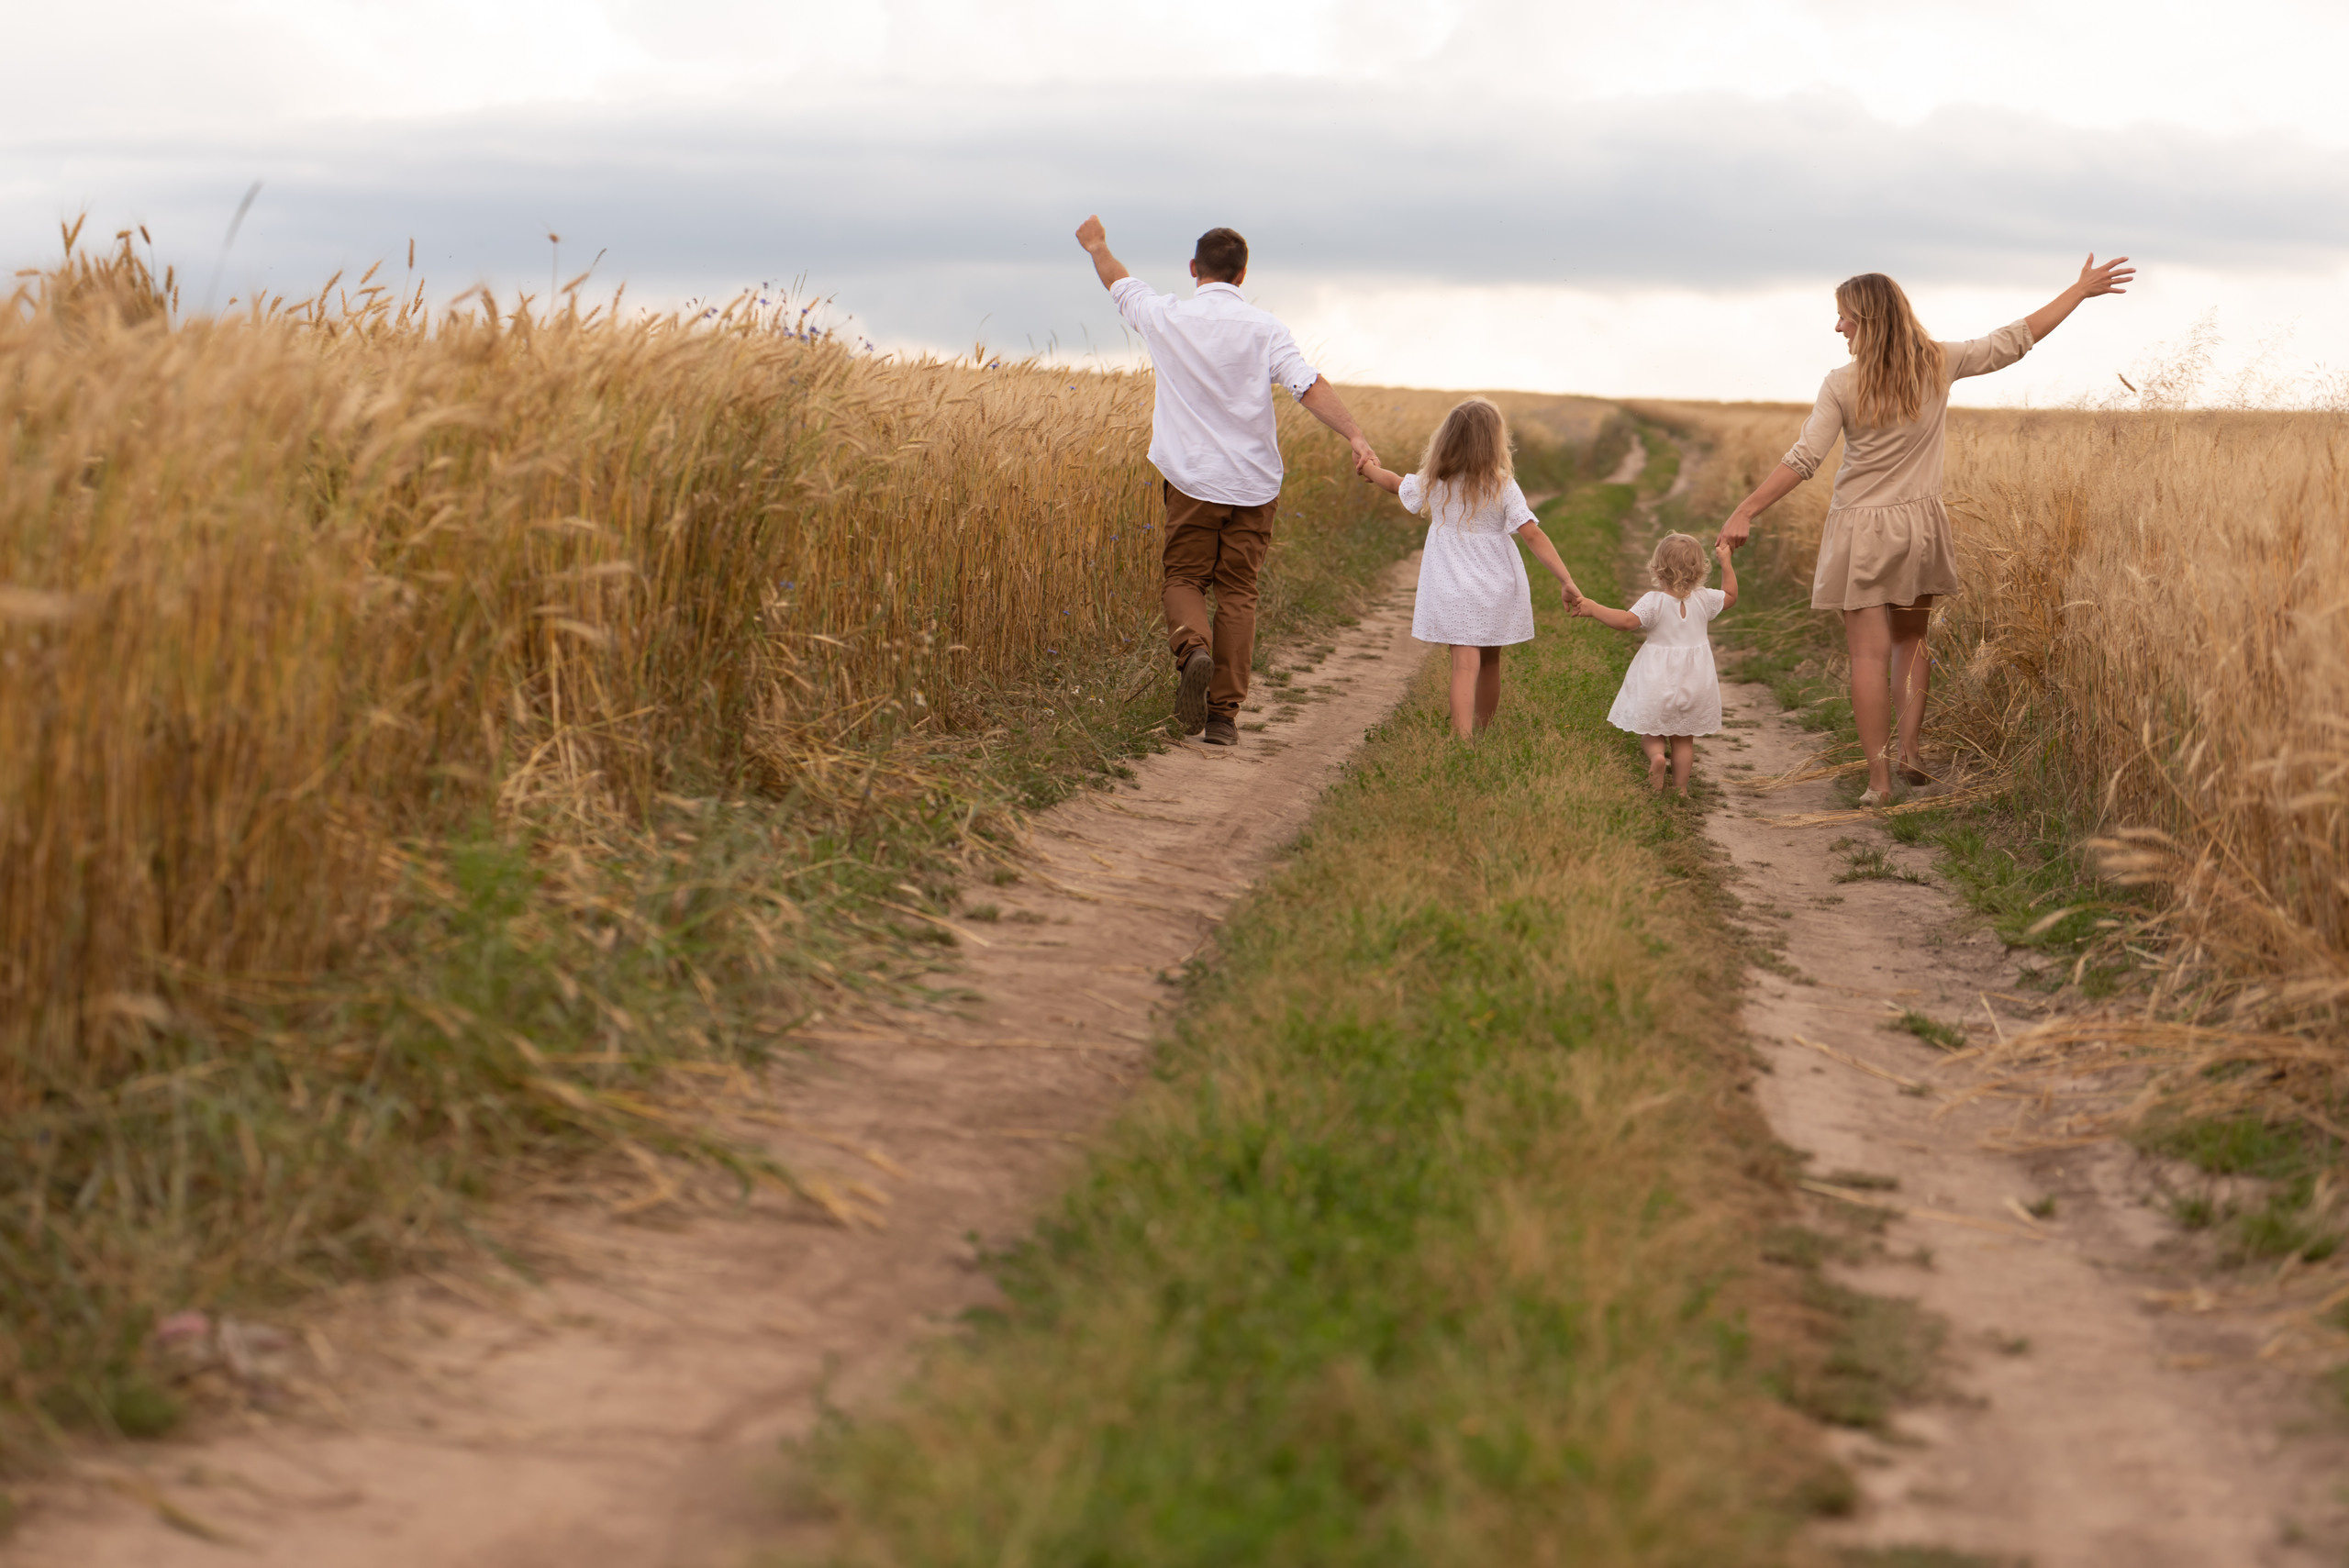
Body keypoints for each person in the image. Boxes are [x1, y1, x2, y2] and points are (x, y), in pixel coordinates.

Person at [1714, 256, 2135, 805]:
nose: (1838, 327)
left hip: (1861, 532)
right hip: (1920, 527)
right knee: (1912, 641)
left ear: (1867, 319)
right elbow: (2013, 341)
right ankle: (1911, 751)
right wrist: (2077, 292)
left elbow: (1805, 458)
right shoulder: (1937, 363)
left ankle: (1879, 781)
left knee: (1867, 655)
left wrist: (1746, 510)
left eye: (1844, 317)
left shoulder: (1842, 384)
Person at [1075, 215, 1379, 746]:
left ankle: (1192, 648)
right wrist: (1354, 434)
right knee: (1239, 591)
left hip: (1191, 482)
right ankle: (1222, 718)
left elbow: (1118, 281)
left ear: (1194, 269)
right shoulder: (1266, 329)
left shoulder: (1165, 315)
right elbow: (1306, 385)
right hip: (1254, 486)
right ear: (1242, 276)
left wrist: (1097, 245)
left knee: (1184, 579)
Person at [1355, 397, 1582, 740]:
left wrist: (1367, 467)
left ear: (1448, 438)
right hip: (1496, 585)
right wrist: (1566, 580)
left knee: (1463, 665)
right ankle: (1484, 730)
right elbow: (1532, 533)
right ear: (1495, 442)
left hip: (1451, 584)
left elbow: (1392, 482)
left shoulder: (1434, 480)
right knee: (1491, 662)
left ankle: (1461, 740)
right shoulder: (1502, 484)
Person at [1574, 534, 1737, 795]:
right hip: (1695, 681)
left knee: (1652, 730)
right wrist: (1726, 561)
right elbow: (1730, 595)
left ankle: (1657, 757)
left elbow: (1626, 622)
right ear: (1700, 571)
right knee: (1684, 739)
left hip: (1658, 679)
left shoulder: (1654, 602)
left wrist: (1594, 608)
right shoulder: (1705, 600)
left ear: (1658, 570)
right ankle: (1680, 790)